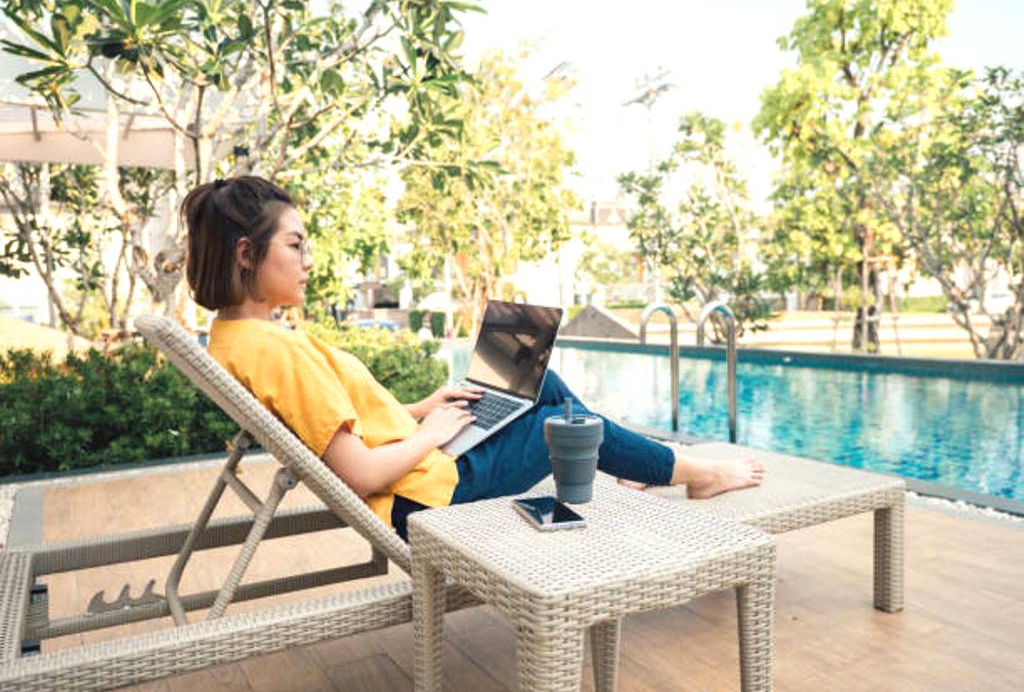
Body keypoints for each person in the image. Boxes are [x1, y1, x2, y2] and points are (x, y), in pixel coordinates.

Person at [183, 176, 764, 539]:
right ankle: (697, 473)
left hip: (421, 469)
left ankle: (626, 464)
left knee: (541, 382)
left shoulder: (237, 337)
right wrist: (434, 432)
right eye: (295, 245)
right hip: (427, 494)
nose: (308, 260)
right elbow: (358, 475)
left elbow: (342, 429)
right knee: (562, 424)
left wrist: (423, 408)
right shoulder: (275, 350)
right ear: (245, 253)